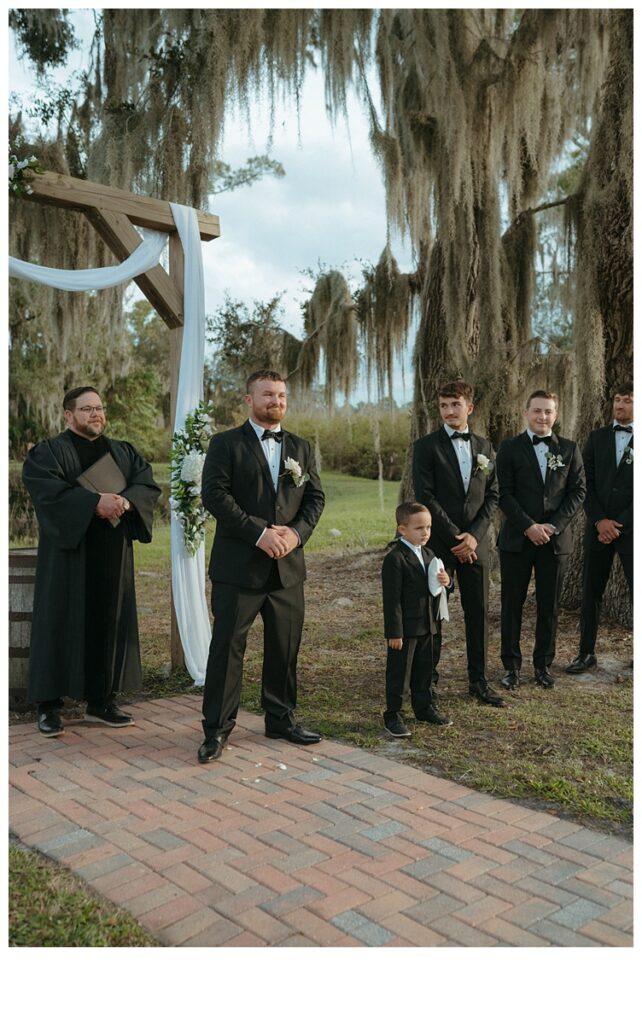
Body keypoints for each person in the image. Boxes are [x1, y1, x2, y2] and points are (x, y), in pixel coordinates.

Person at [198, 370, 325, 763]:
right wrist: (259, 533)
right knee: (227, 649)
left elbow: (315, 499)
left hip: (287, 570)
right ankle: (216, 730)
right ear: (248, 400)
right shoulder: (225, 444)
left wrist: (295, 535)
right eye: (268, 394)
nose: (277, 401)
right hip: (239, 568)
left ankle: (280, 718)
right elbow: (214, 496)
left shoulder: (301, 448)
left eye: (282, 395)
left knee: (285, 648)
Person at [22, 386, 161, 736]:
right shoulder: (49, 453)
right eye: (87, 409)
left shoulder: (122, 452)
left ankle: (101, 702)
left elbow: (146, 484)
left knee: (107, 622)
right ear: (68, 415)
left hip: (111, 554)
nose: (96, 414)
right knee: (58, 621)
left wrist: (125, 503)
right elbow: (47, 492)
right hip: (68, 555)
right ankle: (49, 707)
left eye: (99, 408)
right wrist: (93, 503)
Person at [412, 379, 504, 707]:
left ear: (470, 407)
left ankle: (478, 681)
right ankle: (428, 682)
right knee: (434, 613)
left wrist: (474, 536)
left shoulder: (485, 447)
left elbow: (492, 495)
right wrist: (455, 537)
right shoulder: (426, 447)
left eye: (456, 405)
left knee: (478, 613)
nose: (449, 411)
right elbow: (426, 496)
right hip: (439, 544)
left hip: (476, 546)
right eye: (444, 406)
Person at [496, 389, 586, 690]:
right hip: (517, 540)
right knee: (512, 604)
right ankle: (510, 667)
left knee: (550, 605)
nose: (542, 416)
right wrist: (528, 526)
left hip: (555, 541)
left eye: (548, 411)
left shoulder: (570, 449)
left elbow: (577, 492)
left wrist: (552, 526)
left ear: (555, 415)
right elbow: (503, 493)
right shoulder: (509, 448)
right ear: (526, 412)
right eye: (537, 411)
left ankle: (543, 665)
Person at [565, 382, 633, 674]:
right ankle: (586, 652)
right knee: (591, 591)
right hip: (598, 527)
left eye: (628, 400)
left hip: (633, 531)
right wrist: (600, 520)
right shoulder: (597, 438)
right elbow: (585, 484)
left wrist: (622, 522)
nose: (620, 406)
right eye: (617, 400)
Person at [381, 502, 453, 738]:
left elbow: (434, 588)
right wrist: (394, 632)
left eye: (429, 527)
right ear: (402, 530)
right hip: (406, 628)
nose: (426, 533)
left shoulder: (430, 554)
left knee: (424, 669)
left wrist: (446, 582)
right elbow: (392, 600)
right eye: (419, 528)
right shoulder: (395, 559)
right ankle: (394, 714)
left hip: (429, 624)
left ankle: (423, 707)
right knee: (400, 672)